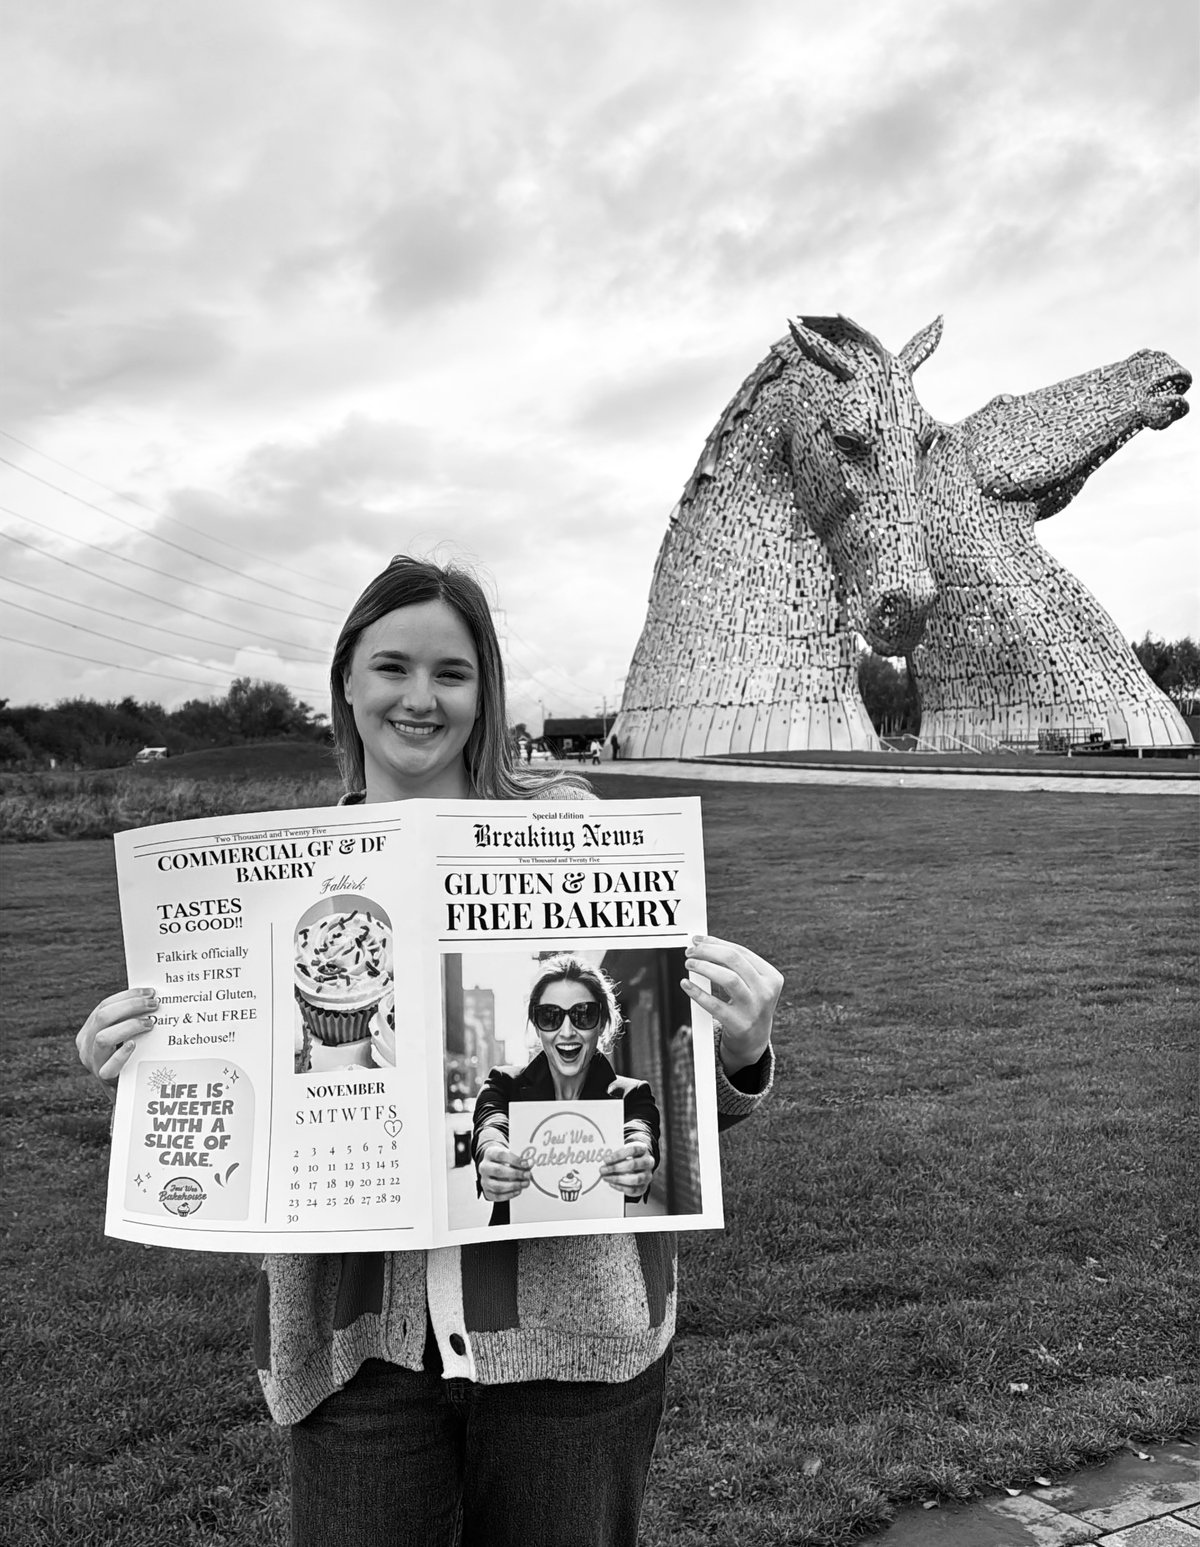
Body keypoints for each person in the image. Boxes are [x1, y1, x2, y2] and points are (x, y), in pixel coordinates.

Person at [74, 554, 782, 1547]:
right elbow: (235, 1108)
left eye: (451, 672)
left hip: (573, 1344)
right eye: (392, 666)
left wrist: (741, 1049)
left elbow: (663, 1089)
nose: (420, 697)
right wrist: (143, 1062)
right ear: (345, 683)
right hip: (359, 1351)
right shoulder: (275, 880)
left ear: (484, 692)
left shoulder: (576, 838)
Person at [473, 955, 660, 1227]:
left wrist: (637, 1157)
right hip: (515, 1250)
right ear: (536, 1026)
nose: (567, 1031)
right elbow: (491, 1125)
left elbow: (639, 1131)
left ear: (602, 1023)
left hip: (602, 1248)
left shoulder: (632, 1094)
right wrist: (491, 1153)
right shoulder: (503, 1084)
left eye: (584, 1014)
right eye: (550, 1017)